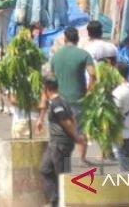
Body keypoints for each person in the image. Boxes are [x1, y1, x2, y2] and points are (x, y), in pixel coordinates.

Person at [40, 27, 94, 166]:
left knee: (61, 130)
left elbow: (49, 77)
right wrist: (90, 90)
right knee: (81, 128)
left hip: (58, 99)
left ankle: (62, 159)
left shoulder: (56, 56)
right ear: (77, 39)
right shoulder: (84, 54)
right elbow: (92, 74)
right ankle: (82, 159)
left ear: (65, 39)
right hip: (79, 98)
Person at [38, 77, 80, 207]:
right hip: (55, 143)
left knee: (62, 175)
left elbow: (66, 122)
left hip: (60, 144)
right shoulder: (60, 102)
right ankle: (54, 200)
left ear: (47, 90)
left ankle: (66, 201)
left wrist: (77, 138)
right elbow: (73, 118)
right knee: (45, 169)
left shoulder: (57, 104)